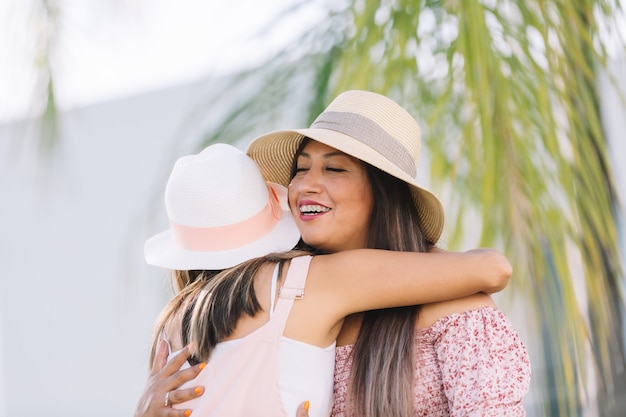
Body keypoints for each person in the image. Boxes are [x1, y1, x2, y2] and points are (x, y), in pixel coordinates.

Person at [136, 90, 531, 416]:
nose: (307, 184)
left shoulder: (455, 310)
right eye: (301, 169)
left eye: (335, 169)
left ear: (384, 193)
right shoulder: (286, 305)